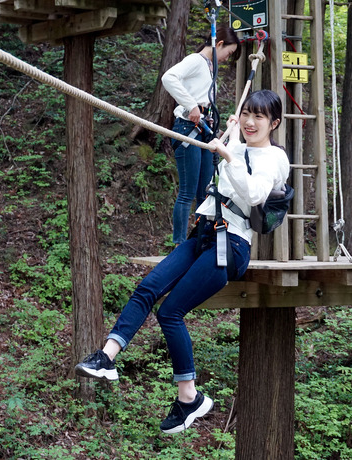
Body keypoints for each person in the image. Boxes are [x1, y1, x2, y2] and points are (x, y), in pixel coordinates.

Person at [75, 90, 290, 434]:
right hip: (203, 234)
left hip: (231, 246)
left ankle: (189, 396)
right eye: (247, 114)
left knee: (170, 311)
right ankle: (106, 357)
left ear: (274, 123)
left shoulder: (274, 158)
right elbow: (225, 151)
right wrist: (226, 137)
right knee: (147, 288)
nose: (250, 122)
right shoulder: (237, 143)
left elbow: (253, 194)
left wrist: (228, 152)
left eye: (259, 117)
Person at [161, 25, 241, 246]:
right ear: (219, 44)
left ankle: (199, 241)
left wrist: (215, 129)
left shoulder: (208, 66)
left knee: (205, 193)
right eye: (229, 53)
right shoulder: (196, 61)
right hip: (188, 129)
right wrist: (191, 105)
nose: (226, 58)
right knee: (187, 193)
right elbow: (169, 78)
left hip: (205, 132)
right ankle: (179, 244)